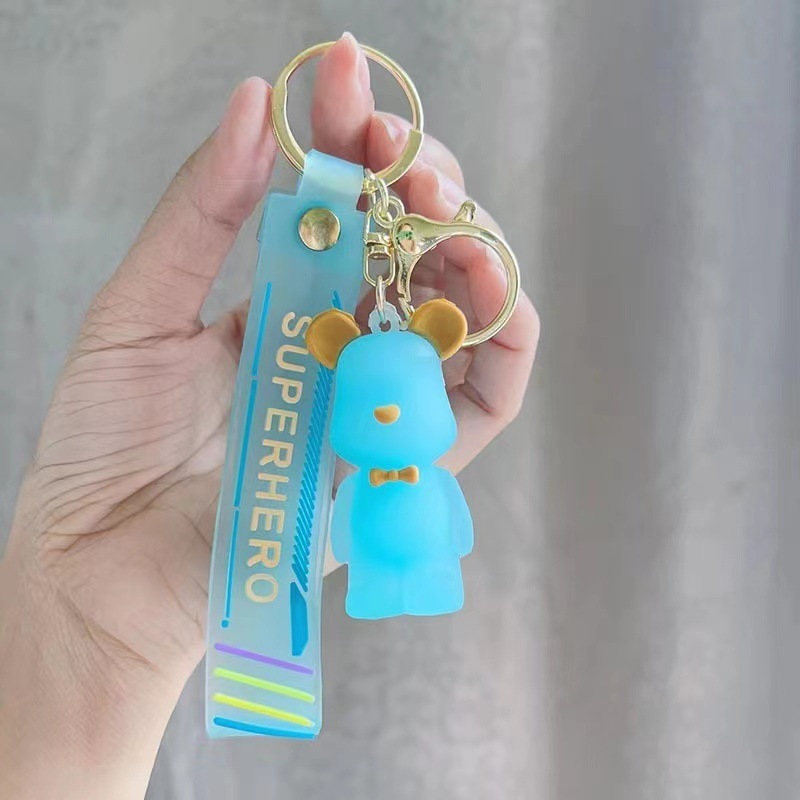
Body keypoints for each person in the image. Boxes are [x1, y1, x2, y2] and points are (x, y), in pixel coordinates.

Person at [0, 34, 539, 799]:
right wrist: (86, 636)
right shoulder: (337, 433)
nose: (388, 410)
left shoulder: (411, 463)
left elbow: (440, 523)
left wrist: (98, 648)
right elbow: (351, 525)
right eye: (375, 403)